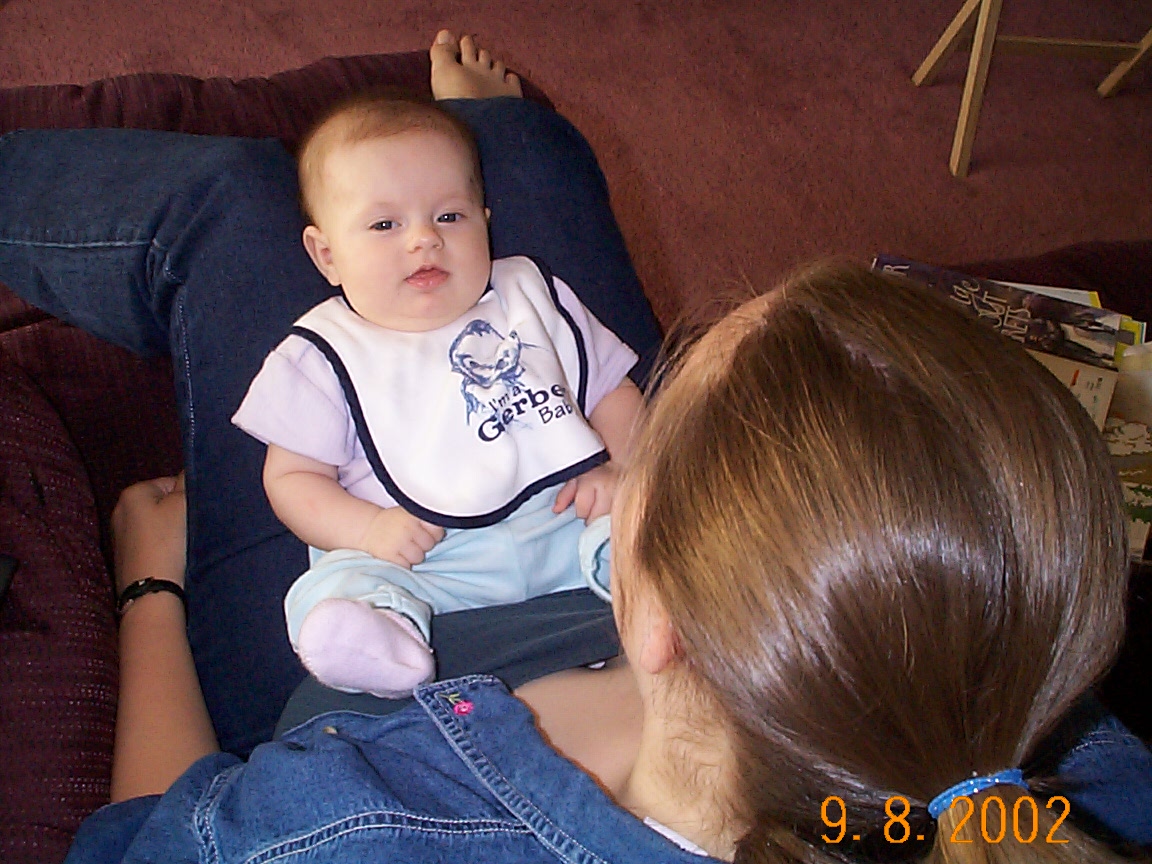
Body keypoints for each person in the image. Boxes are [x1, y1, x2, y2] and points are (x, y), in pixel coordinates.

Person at [1, 30, 1150, 863]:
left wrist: (149, 587)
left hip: (386, 636)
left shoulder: (340, 825)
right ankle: (497, 134)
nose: (654, 386)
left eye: (680, 419)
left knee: (234, 199)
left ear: (660, 619)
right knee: (525, 173)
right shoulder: (1061, 780)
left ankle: (491, 143)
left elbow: (143, 840)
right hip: (591, 597)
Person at [232, 91, 642, 697]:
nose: (424, 239)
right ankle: (386, 635)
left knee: (648, 512)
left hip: (563, 527)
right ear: (326, 255)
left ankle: (635, 570)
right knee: (334, 586)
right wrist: (368, 529)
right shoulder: (318, 357)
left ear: (485, 220)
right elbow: (292, 480)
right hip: (429, 565)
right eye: (384, 225)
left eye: (450, 216)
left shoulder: (532, 299)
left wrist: (622, 470)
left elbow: (614, 393)